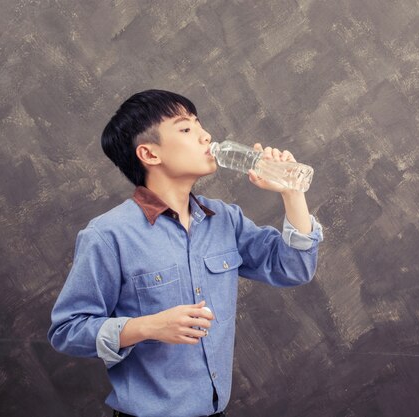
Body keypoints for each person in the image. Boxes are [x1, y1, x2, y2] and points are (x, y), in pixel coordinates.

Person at [47, 89, 323, 417]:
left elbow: (295, 268)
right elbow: (66, 330)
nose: (206, 135)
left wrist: (292, 192)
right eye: (186, 129)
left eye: (199, 124)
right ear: (149, 154)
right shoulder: (108, 235)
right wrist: (147, 327)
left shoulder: (225, 219)